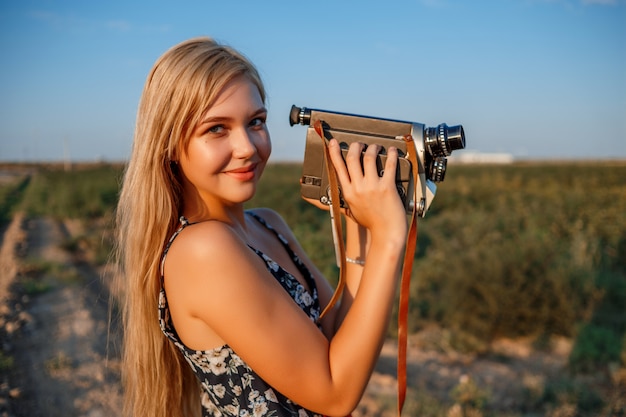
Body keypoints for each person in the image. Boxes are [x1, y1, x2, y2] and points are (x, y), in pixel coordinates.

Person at [114, 37, 408, 417]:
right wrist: (388, 238)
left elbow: (334, 332)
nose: (248, 147)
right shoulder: (203, 250)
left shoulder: (267, 224)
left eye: (256, 122)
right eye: (217, 129)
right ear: (170, 144)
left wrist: (357, 222)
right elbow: (335, 392)